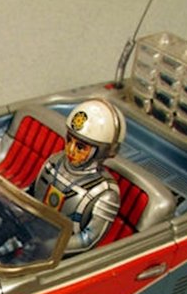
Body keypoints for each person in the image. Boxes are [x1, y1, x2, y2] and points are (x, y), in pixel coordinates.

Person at [32, 99, 125, 253]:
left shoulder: (105, 193)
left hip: (60, 253)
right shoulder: (55, 161)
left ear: (101, 152)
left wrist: (50, 246)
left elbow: (88, 240)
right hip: (33, 231)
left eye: (81, 147)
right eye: (69, 140)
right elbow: (31, 195)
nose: (70, 150)